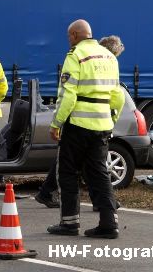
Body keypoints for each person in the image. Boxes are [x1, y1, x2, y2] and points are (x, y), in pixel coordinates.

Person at [46, 20, 125, 239]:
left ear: (74, 35)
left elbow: (68, 94)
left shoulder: (76, 55)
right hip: (102, 126)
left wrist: (56, 123)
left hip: (77, 125)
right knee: (99, 173)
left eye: (68, 36)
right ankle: (109, 223)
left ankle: (69, 223)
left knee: (67, 172)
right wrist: (111, 118)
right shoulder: (109, 56)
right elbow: (117, 95)